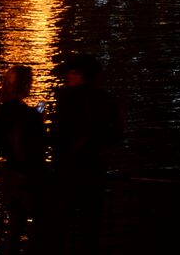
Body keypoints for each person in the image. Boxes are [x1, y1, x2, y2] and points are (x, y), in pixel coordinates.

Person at [49, 54, 123, 255]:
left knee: (60, 225)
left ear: (81, 76)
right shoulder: (106, 100)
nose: (67, 76)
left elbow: (57, 135)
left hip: (68, 172)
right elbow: (116, 133)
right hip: (94, 171)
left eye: (71, 72)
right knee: (89, 226)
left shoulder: (67, 99)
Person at [0, 65, 47, 255]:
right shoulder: (26, 114)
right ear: (25, 86)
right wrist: (39, 121)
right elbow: (31, 142)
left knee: (14, 226)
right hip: (26, 174)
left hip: (9, 173)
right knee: (41, 225)